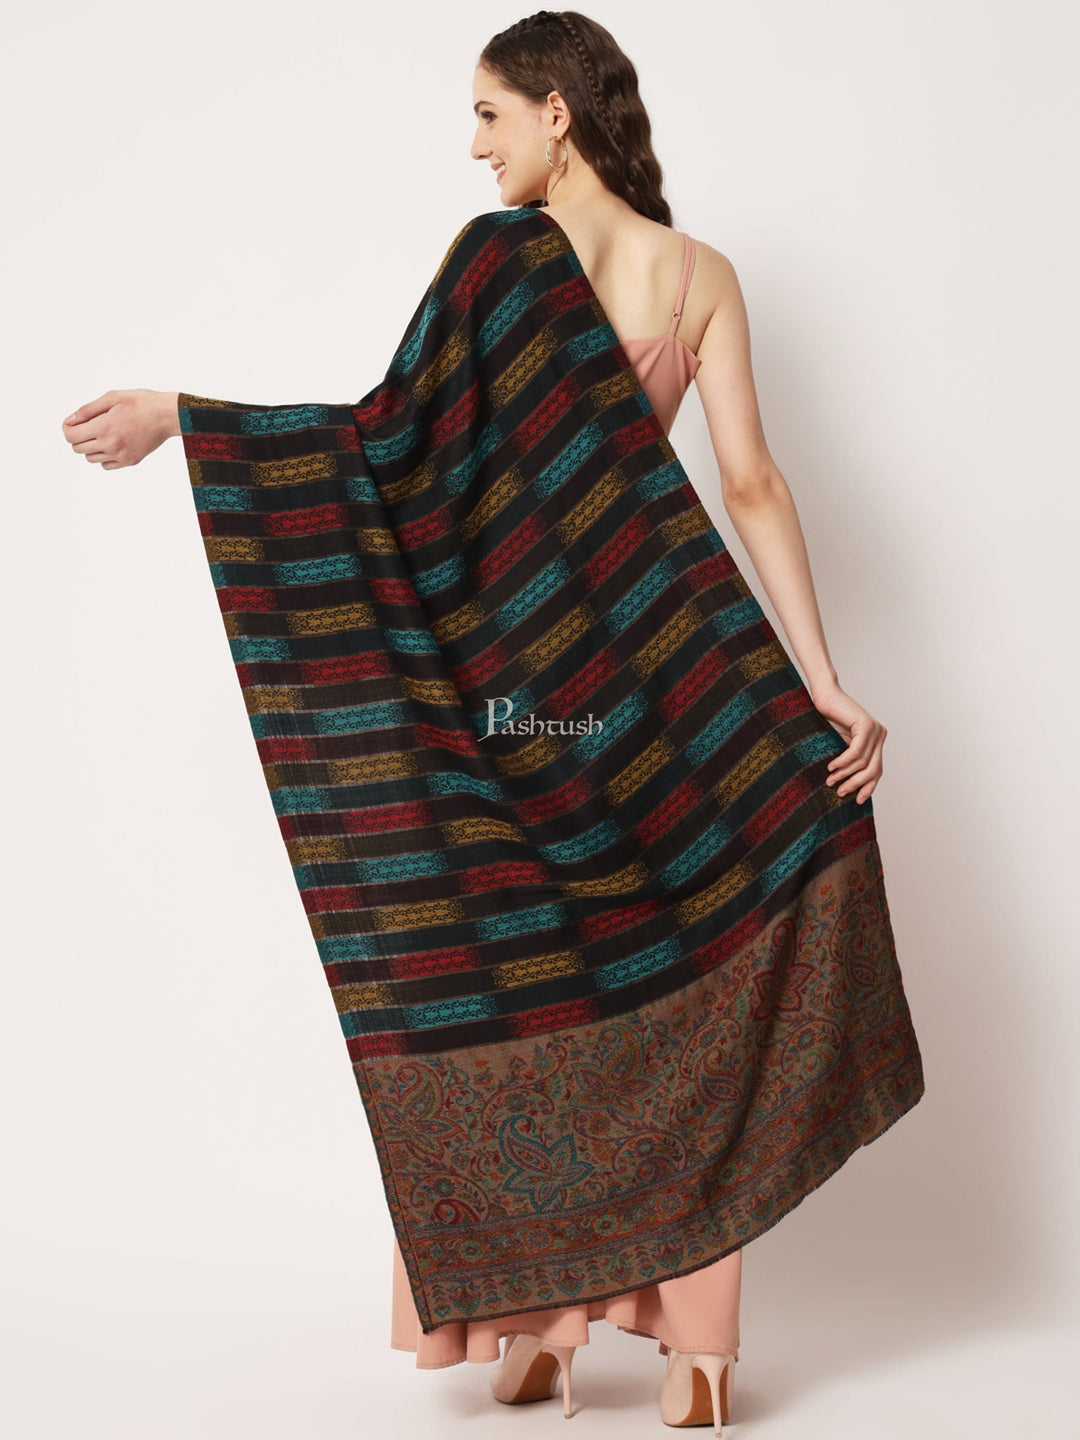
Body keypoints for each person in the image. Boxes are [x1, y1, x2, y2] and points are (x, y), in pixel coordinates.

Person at [60, 11, 922, 1434]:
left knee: (510, 976)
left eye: (489, 115)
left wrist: (192, 420)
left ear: (556, 115)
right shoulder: (698, 276)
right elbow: (751, 485)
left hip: (509, 700)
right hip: (650, 697)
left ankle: (536, 1328)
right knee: (678, 978)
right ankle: (698, 1357)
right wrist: (816, 679)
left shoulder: (502, 261)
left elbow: (385, 445)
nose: (476, 147)